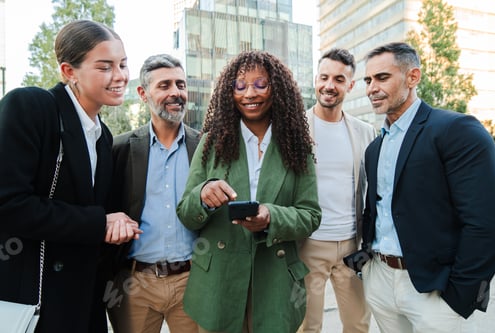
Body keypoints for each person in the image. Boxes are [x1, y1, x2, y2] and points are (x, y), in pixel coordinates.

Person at [0, 20, 142, 333]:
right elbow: (9, 206)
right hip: (33, 299)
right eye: (105, 66)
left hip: (83, 302)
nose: (119, 76)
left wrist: (115, 225)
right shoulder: (31, 107)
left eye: (122, 64)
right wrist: (99, 223)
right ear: (69, 71)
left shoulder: (103, 136)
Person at [176, 50, 322, 333]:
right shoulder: (211, 143)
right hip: (219, 283)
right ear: (228, 92)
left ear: (276, 89)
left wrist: (271, 217)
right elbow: (185, 211)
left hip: (276, 283)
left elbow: (311, 216)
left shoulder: (297, 147)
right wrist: (203, 196)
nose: (249, 94)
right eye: (239, 86)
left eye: (260, 84)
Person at [360, 42, 495, 332]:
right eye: (368, 80)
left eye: (382, 77)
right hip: (381, 281)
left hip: (434, 291)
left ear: (413, 78)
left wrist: (461, 294)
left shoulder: (457, 130)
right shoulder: (375, 146)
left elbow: (486, 222)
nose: (372, 87)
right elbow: (377, 209)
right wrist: (368, 269)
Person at [106, 54, 200, 333]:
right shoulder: (119, 148)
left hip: (192, 282)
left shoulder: (205, 146)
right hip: (135, 284)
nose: (176, 92)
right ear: (143, 93)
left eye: (181, 85)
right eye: (165, 85)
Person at [298, 48, 375, 333]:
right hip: (309, 244)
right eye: (324, 77)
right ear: (316, 80)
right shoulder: (296, 128)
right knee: (308, 326)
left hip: (352, 246)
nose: (330, 85)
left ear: (350, 86)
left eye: (339, 79)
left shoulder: (365, 132)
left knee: (358, 324)